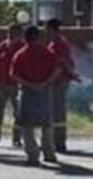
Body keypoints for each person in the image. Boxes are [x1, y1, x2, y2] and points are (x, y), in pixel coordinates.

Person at [11, 25, 59, 166]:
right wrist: (46, 83)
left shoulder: (20, 54)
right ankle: (49, 153)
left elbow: (14, 75)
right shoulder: (48, 52)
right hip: (45, 91)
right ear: (38, 37)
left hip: (27, 92)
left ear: (25, 38)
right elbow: (57, 69)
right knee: (47, 124)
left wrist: (30, 84)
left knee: (27, 125)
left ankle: (33, 155)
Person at [45, 19, 78, 154]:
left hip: (58, 81)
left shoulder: (58, 44)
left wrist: (49, 80)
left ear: (53, 29)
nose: (46, 32)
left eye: (47, 29)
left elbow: (61, 64)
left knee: (57, 112)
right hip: (57, 80)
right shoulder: (55, 43)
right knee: (54, 112)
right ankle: (55, 141)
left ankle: (59, 142)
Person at [0, 23, 24, 148]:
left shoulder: (22, 47)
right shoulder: (3, 45)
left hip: (16, 85)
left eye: (13, 33)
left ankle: (16, 138)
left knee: (18, 113)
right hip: (1, 83)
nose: (10, 35)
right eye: (9, 32)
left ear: (20, 34)